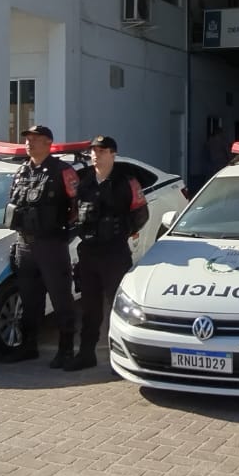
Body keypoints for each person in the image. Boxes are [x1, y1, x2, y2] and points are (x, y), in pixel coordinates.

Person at [69, 134, 148, 371]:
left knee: (117, 306)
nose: (96, 155)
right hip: (89, 252)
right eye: (93, 151)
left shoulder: (126, 181)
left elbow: (141, 214)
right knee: (90, 308)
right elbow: (73, 212)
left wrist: (122, 232)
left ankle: (120, 358)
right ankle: (86, 354)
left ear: (113, 154)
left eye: (102, 151)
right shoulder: (83, 181)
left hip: (114, 253)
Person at [4, 124, 79, 363]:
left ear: (48, 143)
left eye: (35, 139)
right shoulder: (22, 171)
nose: (29, 142)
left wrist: (64, 233)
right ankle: (28, 346)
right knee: (29, 299)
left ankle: (66, 351)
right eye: (27, 138)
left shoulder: (62, 171)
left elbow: (78, 207)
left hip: (51, 245)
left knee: (61, 299)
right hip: (25, 245)